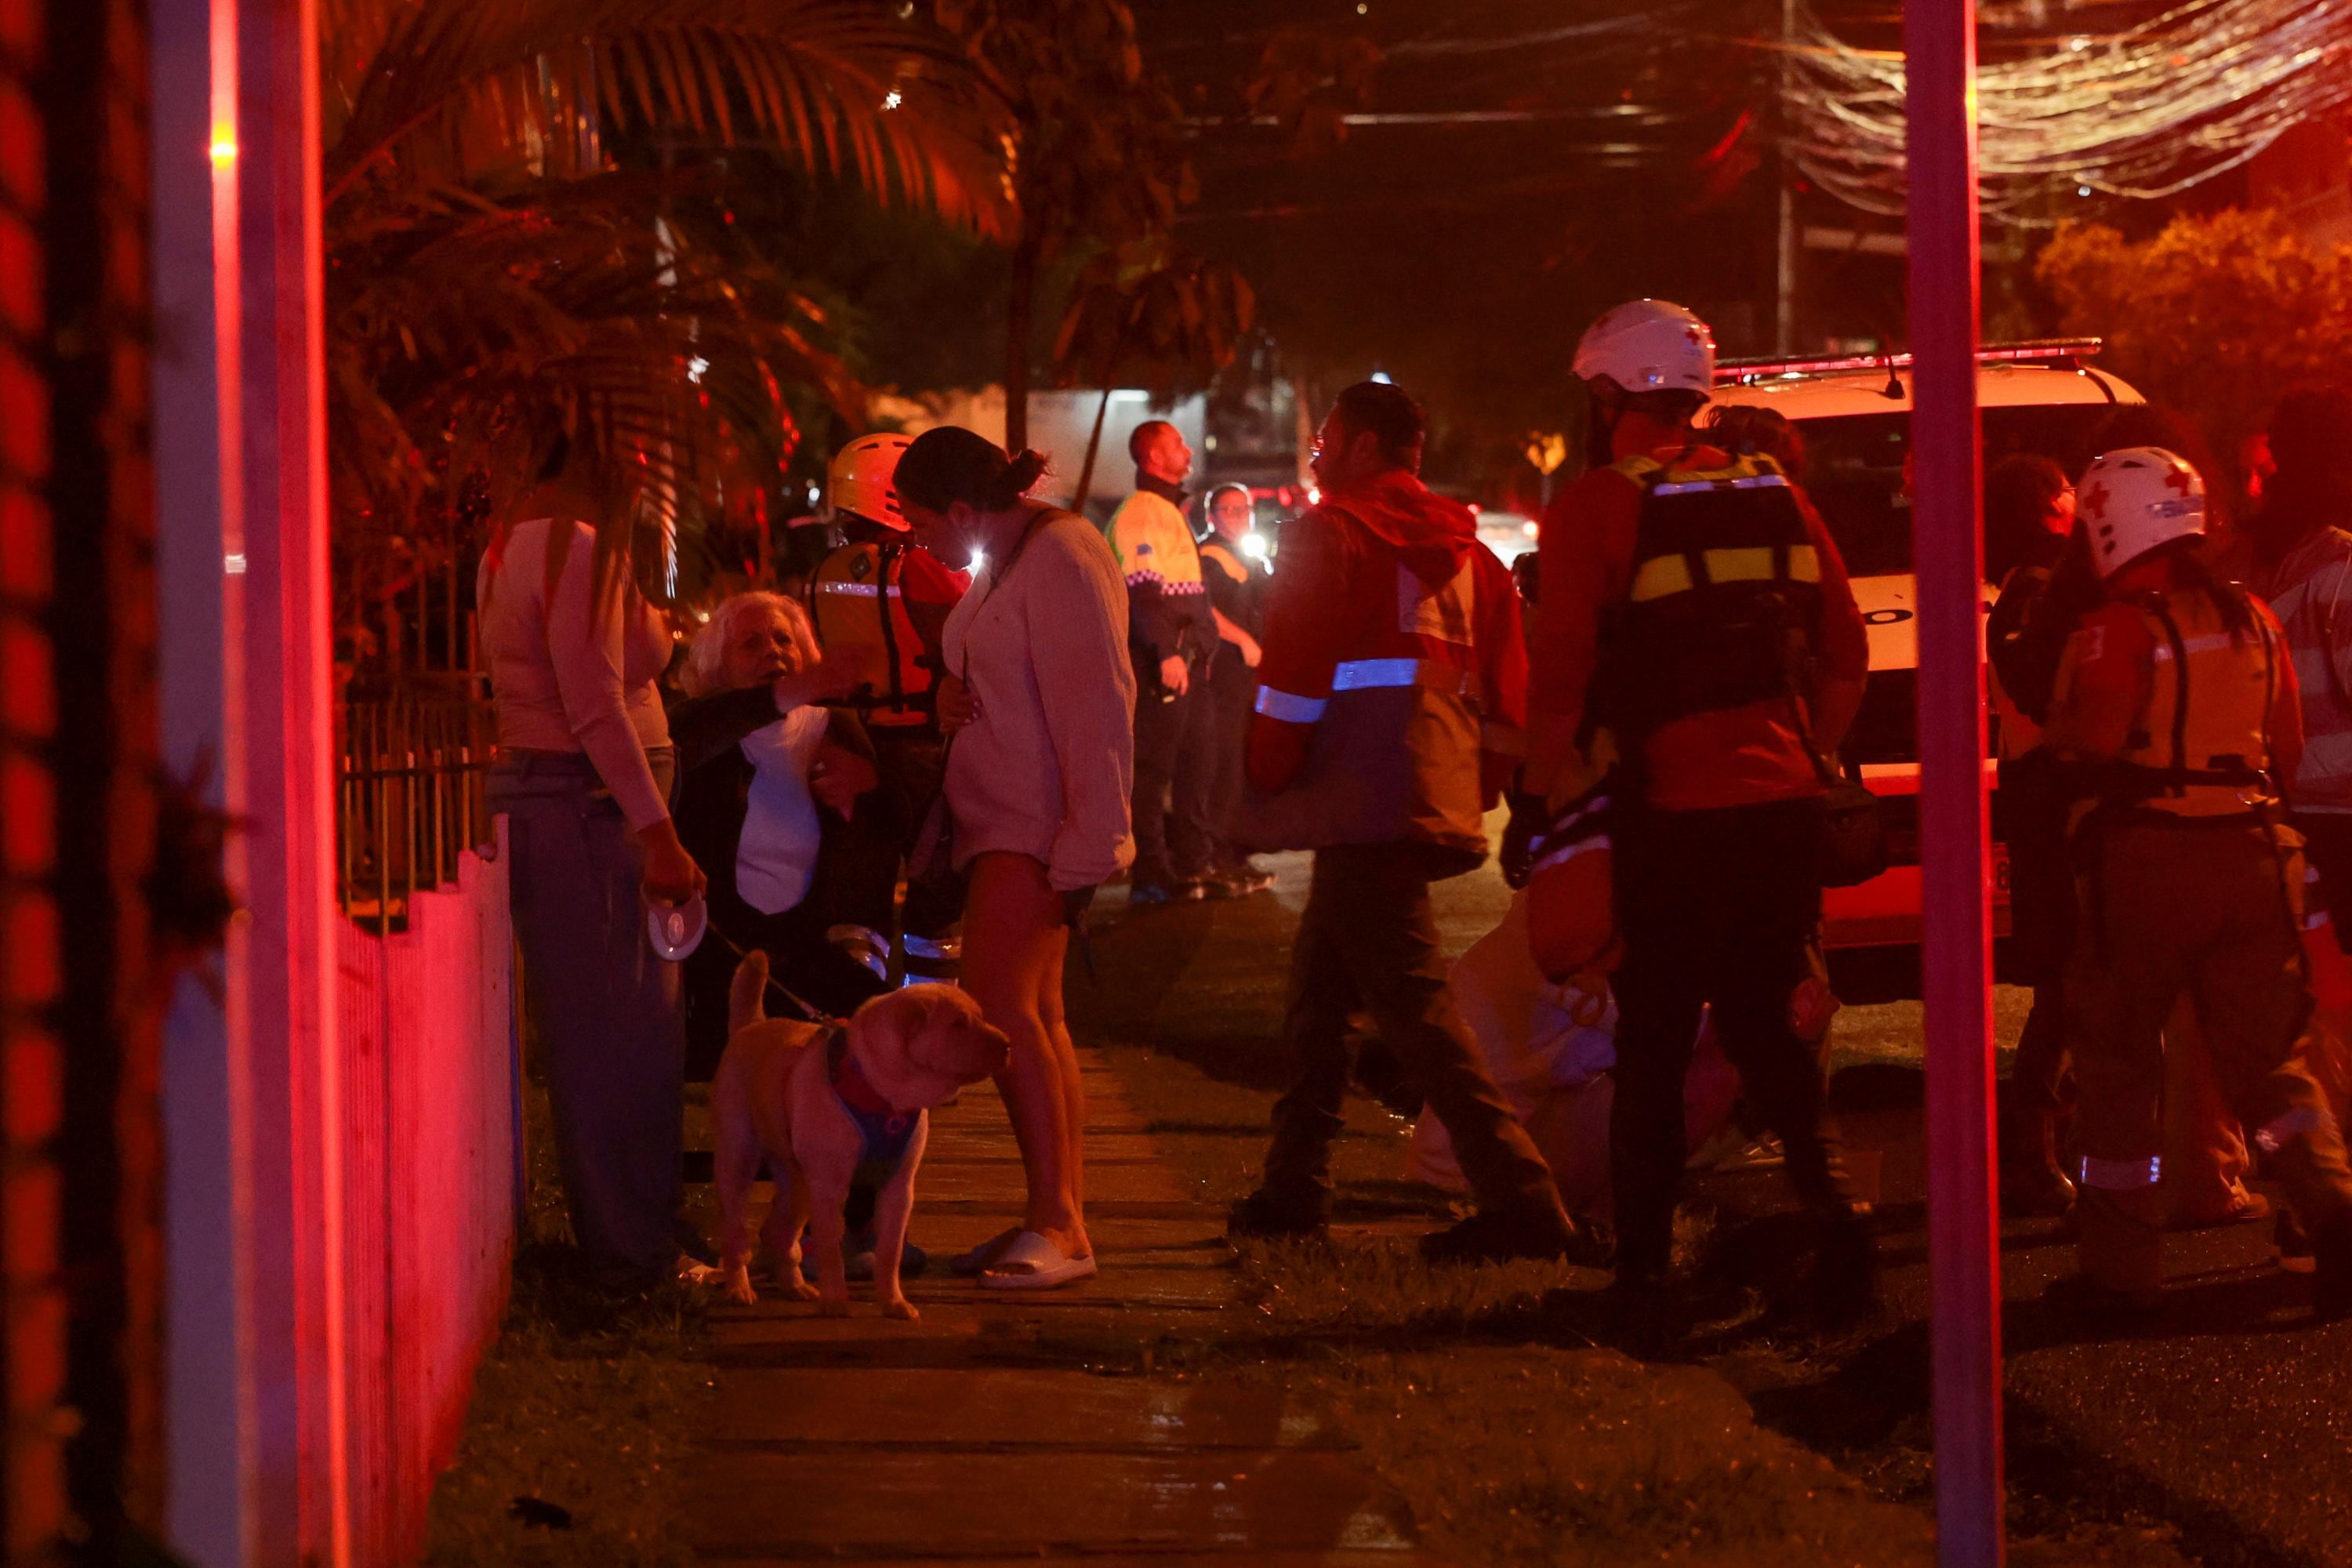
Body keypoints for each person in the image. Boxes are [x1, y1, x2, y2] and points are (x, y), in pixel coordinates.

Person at [1527, 299, 1874, 1313]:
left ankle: (1643, 1276)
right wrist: (1811, 750)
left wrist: (1549, 802)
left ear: (1606, 395)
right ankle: (1843, 1238)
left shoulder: (1598, 504)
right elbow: (1846, 652)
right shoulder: (1779, 497)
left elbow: (1560, 685)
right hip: (1779, 810)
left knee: (1655, 1042)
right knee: (1771, 1034)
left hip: (1670, 810)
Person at [1225, 379, 1592, 1265]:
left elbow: (1294, 672)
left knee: (1417, 1010)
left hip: (1355, 800)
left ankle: (1524, 1199)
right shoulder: (1475, 553)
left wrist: (1265, 772)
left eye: (1326, 438)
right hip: (1426, 790)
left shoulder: (1329, 531)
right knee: (1320, 1000)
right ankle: (1293, 1185)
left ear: (1360, 447)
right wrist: (1485, 783)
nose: (1316, 454)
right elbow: (1511, 692)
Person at [2042, 445, 2352, 1316]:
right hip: (2255, 853)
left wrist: (2058, 729)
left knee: (2120, 1068)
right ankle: (2337, 1217)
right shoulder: (2253, 617)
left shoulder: (2116, 628)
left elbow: (2095, 740)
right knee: (2274, 1073)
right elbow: (2285, 749)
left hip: (2146, 857)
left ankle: (2120, 1268)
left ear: (2105, 522)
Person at [894, 427, 1136, 1290]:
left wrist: (1089, 839)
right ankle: (1058, 1213)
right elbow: (997, 664)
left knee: (1005, 1013)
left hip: (1034, 827)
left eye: (925, 525)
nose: (921, 542)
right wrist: (949, 691)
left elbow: (1097, 701)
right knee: (1036, 1015)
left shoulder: (1061, 554)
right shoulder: (1006, 556)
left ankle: (1059, 1222)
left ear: (963, 508)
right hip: (1002, 819)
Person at [481, 424, 705, 1294]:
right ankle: (629, 1251)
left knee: (617, 1029)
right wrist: (657, 831)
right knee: (617, 1037)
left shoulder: (513, 543)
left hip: (575, 798)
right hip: (588, 805)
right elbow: (595, 701)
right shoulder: (571, 547)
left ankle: (640, 1224)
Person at [668, 592, 891, 1065]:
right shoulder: (702, 730)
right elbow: (688, 736)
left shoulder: (835, 729)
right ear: (715, 669)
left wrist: (870, 786)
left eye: (784, 639)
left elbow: (889, 834)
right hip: (722, 956)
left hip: (814, 953)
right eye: (751, 643)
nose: (773, 651)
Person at [804, 433, 973, 985]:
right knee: (935, 892)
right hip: (921, 750)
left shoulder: (821, 571)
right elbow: (964, 646)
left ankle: (857, 1008)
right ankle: (928, 1008)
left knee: (860, 894)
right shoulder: (919, 567)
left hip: (854, 744)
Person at [1984, 453, 2089, 1217]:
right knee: (2069, 975)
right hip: (2052, 789)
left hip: (2040, 785)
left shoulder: (2028, 584)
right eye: (2065, 489)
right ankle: (2033, 1147)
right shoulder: (2042, 587)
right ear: (2044, 505)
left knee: (2072, 975)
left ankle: (2048, 1141)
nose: (2079, 499)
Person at [1105, 420, 1218, 904]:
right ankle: (1150, 876)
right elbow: (1143, 593)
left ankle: (1183, 865)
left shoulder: (1164, 510)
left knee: (1189, 765)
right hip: (1159, 665)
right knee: (1152, 773)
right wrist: (1167, 652)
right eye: (1177, 443)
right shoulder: (1142, 512)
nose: (1188, 449)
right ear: (1152, 457)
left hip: (1179, 662)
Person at [1173, 481, 1274, 897]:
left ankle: (1231, 854)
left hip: (1247, 676)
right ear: (1212, 517)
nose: (1239, 516)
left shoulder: (1246, 553)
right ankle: (1208, 857)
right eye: (1229, 510)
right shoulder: (1209, 556)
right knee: (1217, 766)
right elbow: (1204, 607)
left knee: (1236, 766)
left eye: (1244, 509)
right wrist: (1244, 641)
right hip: (1221, 673)